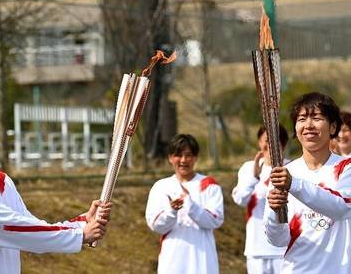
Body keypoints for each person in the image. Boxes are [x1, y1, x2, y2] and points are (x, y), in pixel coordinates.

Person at [0, 90, 112, 273]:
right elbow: (10, 227)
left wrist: (82, 222)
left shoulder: (2, 181)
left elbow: (30, 226)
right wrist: (79, 235)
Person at [264, 92, 351, 273]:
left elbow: (342, 207)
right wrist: (274, 212)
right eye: (302, 119)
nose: (308, 125)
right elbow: (278, 240)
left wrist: (294, 185)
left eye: (317, 118)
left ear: (333, 127)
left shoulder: (345, 168)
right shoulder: (284, 174)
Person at [145, 134, 224, 274]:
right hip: (172, 263)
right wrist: (171, 211)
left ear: (196, 157)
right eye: (178, 155)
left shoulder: (208, 184)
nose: (183, 160)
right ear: (170, 158)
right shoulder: (161, 187)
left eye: (188, 155)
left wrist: (190, 205)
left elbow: (215, 220)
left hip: (203, 263)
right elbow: (155, 225)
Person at [232, 124, 289, 274]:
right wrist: (254, 177)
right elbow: (240, 200)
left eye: (275, 140)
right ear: (259, 142)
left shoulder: (292, 168)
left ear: (283, 144)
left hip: (284, 248)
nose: (269, 144)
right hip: (256, 247)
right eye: (266, 140)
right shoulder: (249, 168)